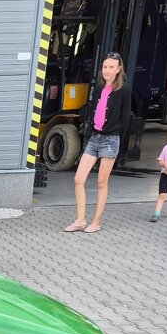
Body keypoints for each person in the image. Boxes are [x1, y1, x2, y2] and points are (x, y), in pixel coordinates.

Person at [64, 52, 131, 234]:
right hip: (95, 138)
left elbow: (125, 118)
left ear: (118, 70)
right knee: (78, 179)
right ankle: (80, 220)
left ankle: (96, 222)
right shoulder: (99, 88)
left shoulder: (124, 90)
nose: (107, 71)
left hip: (111, 140)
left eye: (111, 67)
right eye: (105, 67)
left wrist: (120, 146)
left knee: (102, 182)